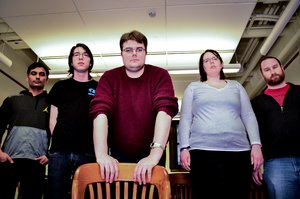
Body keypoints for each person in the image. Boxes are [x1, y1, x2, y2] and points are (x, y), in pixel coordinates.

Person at [89, 30, 178, 185]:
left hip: (153, 155)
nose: (134, 54)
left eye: (139, 49)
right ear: (122, 54)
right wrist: (102, 154)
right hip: (119, 157)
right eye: (128, 50)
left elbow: (164, 110)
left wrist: (154, 155)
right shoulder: (109, 78)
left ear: (146, 53)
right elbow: (100, 112)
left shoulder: (161, 75)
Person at [179, 49, 264, 199]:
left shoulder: (236, 86)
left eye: (214, 58)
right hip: (203, 152)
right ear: (203, 67)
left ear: (222, 64)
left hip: (239, 153)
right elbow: (185, 119)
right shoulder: (193, 88)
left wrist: (256, 144)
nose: (211, 61)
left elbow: (249, 116)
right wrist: (184, 148)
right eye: (206, 60)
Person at [47, 43, 98, 199]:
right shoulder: (60, 86)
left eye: (85, 54)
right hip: (59, 152)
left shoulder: (99, 87)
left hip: (88, 153)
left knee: (86, 195)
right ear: (71, 62)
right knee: (56, 195)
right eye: (76, 54)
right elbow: (52, 119)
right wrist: (59, 142)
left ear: (90, 62)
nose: (81, 57)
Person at [251, 56, 300, 199]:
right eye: (267, 70)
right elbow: (252, 137)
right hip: (276, 165)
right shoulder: (255, 103)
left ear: (282, 68)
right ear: (262, 75)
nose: (272, 72)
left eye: (275, 67)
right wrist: (254, 167)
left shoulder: (299, 92)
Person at [0, 62, 50, 199]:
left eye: (42, 74)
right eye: (34, 73)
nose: (37, 77)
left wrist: (49, 155)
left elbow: (58, 133)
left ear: (47, 79)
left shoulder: (52, 105)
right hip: (10, 160)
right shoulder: (12, 100)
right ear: (27, 77)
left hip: (37, 162)